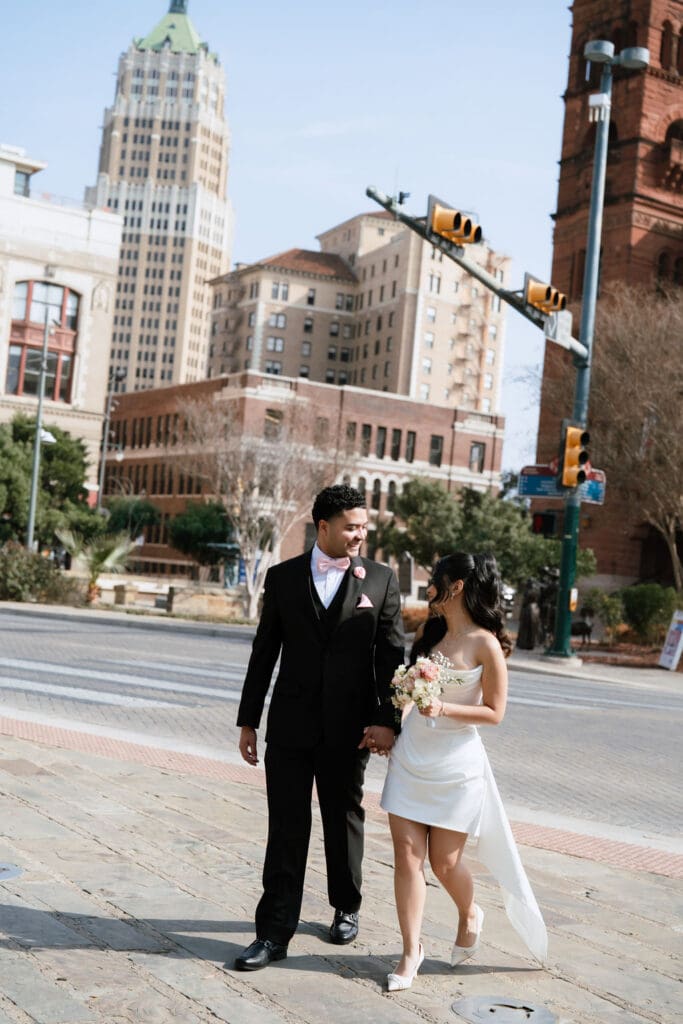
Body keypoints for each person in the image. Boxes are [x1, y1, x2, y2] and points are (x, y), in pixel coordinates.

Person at [233, 484, 405, 971]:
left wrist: (386, 720)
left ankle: (345, 904)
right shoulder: (283, 578)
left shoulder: (381, 580)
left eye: (364, 527)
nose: (360, 535)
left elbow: (392, 657)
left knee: (342, 816)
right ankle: (272, 934)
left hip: (350, 727)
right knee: (286, 826)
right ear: (323, 527)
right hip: (289, 724)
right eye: (352, 526)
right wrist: (249, 720)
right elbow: (263, 652)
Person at [380, 552, 547, 992]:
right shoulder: (428, 632)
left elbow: (496, 712)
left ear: (456, 586)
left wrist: (443, 706)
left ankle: (470, 912)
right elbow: (405, 691)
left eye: (436, 578)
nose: (430, 584)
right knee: (407, 857)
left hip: (456, 767)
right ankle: (411, 950)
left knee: (445, 862)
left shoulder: (486, 644)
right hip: (412, 757)